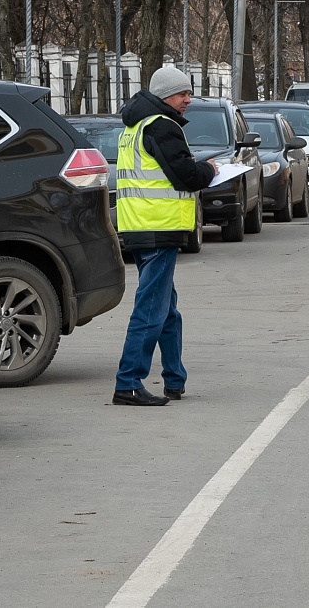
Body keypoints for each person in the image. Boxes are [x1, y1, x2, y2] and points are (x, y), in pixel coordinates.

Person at [113, 68, 218, 406]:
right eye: (181, 94)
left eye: (189, 93)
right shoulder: (162, 124)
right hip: (158, 229)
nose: (188, 100)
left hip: (139, 226)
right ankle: (128, 384)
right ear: (163, 96)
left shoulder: (135, 126)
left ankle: (174, 378)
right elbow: (185, 176)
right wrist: (211, 171)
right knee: (151, 310)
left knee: (166, 309)